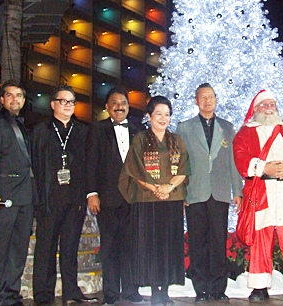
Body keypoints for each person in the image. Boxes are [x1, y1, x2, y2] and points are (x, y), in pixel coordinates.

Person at [233, 89, 283, 301]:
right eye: (264, 105)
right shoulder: (246, 132)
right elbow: (240, 156)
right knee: (261, 239)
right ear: (256, 109)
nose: (269, 108)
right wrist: (263, 167)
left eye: (271, 104)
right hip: (262, 192)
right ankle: (259, 286)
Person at [118, 96, 191, 306]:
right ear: (149, 116)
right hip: (147, 199)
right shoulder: (140, 139)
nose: (163, 118)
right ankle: (154, 291)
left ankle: (165, 291)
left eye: (167, 114)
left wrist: (169, 187)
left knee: (169, 245)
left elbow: (185, 168)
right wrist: (155, 188)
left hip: (172, 199)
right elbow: (134, 168)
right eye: (158, 114)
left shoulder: (177, 140)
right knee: (150, 246)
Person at [175, 83, 243, 302]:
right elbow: (179, 163)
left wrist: (237, 190)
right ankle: (201, 289)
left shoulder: (227, 127)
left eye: (210, 96)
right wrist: (181, 191)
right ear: (196, 101)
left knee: (217, 241)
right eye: (202, 97)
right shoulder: (184, 128)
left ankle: (218, 288)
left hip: (220, 192)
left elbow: (233, 162)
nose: (207, 100)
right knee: (197, 243)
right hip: (195, 191)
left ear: (216, 99)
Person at [32, 85, 97, 304]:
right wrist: (38, 198)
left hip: (74, 200)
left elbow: (88, 166)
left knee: (70, 248)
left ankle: (71, 291)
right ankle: (43, 293)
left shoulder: (82, 131)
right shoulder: (41, 130)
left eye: (71, 102)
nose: (68, 105)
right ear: (53, 104)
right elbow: (36, 166)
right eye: (63, 101)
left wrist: (87, 195)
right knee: (45, 249)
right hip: (49, 199)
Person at [86, 86, 144, 305]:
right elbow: (91, 164)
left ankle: (131, 290)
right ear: (107, 107)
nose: (120, 107)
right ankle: (110, 292)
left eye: (124, 103)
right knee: (109, 246)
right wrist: (92, 193)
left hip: (133, 199)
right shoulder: (97, 129)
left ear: (128, 107)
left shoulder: (138, 131)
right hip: (107, 199)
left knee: (132, 246)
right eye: (115, 103)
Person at [0, 80, 34, 306]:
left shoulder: (23, 126)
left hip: (25, 196)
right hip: (3, 196)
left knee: (18, 249)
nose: (15, 99)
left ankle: (11, 294)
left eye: (19, 95)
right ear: (2, 100)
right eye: (9, 95)